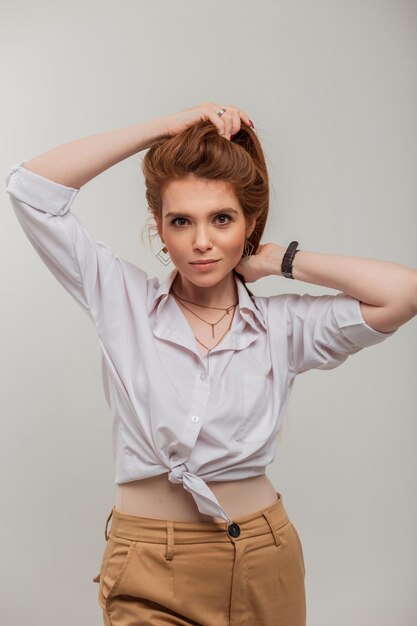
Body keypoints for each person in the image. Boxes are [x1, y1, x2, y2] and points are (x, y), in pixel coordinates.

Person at [6, 101, 417, 626]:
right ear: (159, 227)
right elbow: (31, 188)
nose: (201, 241)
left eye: (221, 219)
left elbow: (403, 293)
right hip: (149, 562)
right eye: (181, 221)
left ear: (248, 224)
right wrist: (164, 127)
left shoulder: (282, 326)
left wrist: (278, 260)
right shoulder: (121, 299)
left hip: (264, 558)